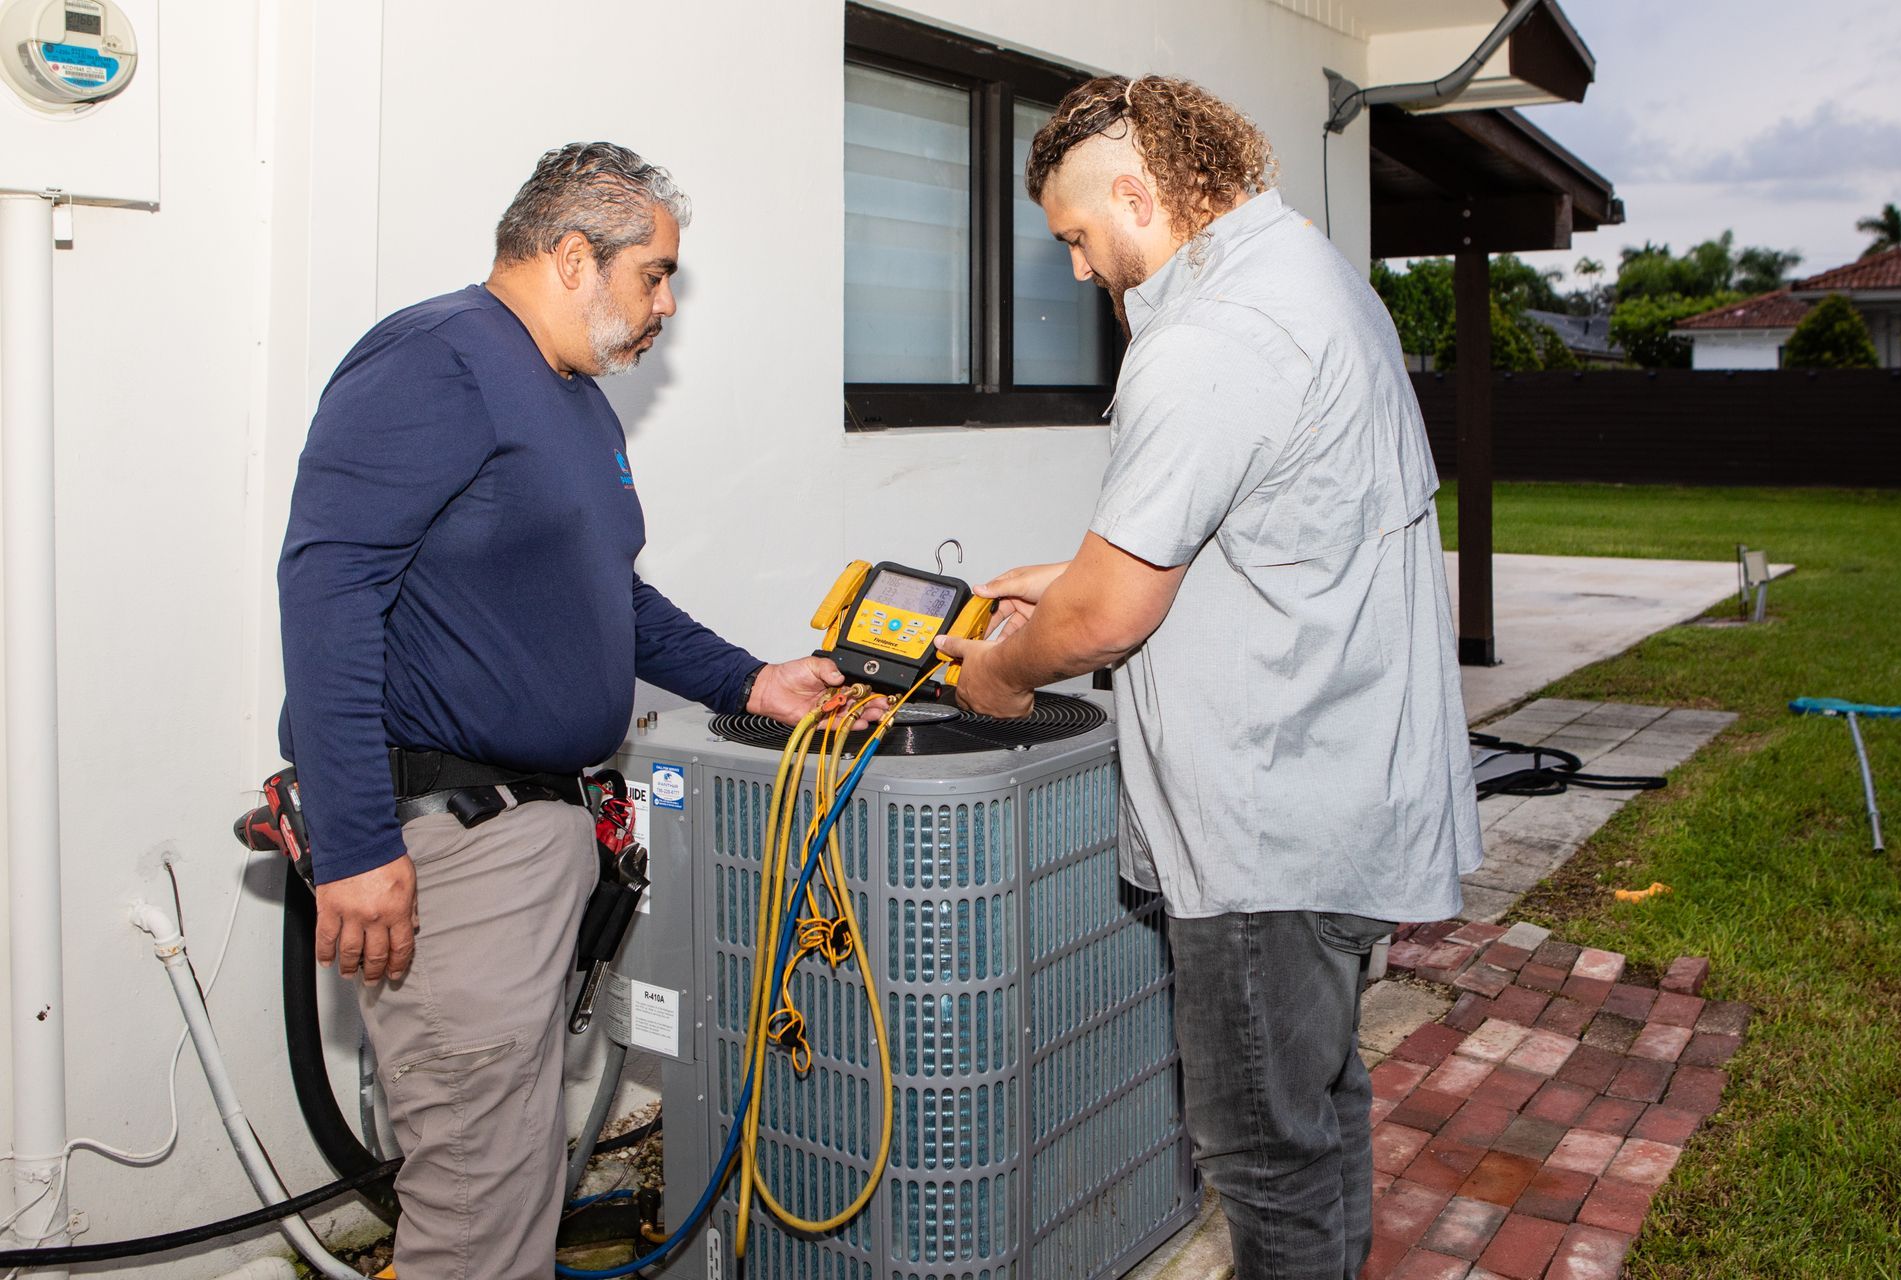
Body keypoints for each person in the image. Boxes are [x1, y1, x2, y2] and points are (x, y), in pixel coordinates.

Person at [277, 142, 863, 1279]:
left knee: (513, 1177)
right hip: (450, 844)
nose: (664, 304)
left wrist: (747, 679)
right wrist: (353, 839)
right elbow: (328, 586)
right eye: (654, 274)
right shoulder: (435, 360)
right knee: (480, 1207)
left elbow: (609, 594)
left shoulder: (575, 402)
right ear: (570, 254)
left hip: (533, 840)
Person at [935, 77, 1482, 1280]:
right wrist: (1069, 574)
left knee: (1261, 1155)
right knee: (1319, 1112)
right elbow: (1248, 528)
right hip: (1341, 794)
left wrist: (1007, 672)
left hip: (1266, 826)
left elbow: (1111, 613)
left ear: (1139, 193)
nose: (1078, 270)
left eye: (1079, 238)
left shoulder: (1208, 337)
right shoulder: (1312, 278)